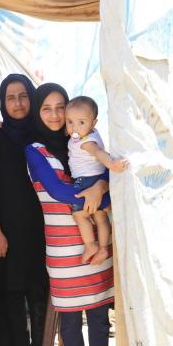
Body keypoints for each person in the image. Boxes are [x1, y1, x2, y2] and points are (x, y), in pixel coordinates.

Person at [25, 83, 114, 346]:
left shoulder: (80, 142)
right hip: (64, 250)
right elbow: (58, 191)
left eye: (60, 108)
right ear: (37, 112)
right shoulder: (34, 149)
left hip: (98, 243)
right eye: (46, 108)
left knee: (99, 319)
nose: (54, 115)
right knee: (70, 321)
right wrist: (100, 193)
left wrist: (102, 185)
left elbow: (108, 171)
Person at [0, 74, 48, 346]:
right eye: (11, 97)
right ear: (2, 103)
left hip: (43, 234)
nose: (18, 103)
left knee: (40, 297)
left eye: (23, 96)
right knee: (12, 295)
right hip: (8, 234)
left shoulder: (42, 133)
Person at [65, 96, 128, 264]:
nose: (74, 128)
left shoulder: (85, 142)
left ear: (94, 122)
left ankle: (90, 245)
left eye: (81, 122)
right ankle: (103, 248)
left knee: (81, 216)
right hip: (98, 177)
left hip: (85, 181)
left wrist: (112, 164)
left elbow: (99, 154)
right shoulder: (91, 133)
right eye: (70, 122)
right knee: (100, 217)